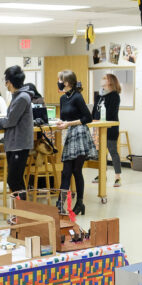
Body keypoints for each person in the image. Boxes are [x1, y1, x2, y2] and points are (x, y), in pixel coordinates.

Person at [57, 70, 95, 214]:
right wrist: (62, 123)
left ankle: (79, 203)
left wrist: (69, 123)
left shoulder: (77, 97)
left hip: (79, 135)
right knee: (66, 172)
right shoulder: (63, 98)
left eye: (60, 80)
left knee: (76, 170)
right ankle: (61, 204)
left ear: (66, 83)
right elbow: (64, 117)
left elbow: (88, 118)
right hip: (69, 135)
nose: (59, 83)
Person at [0, 65, 34, 197]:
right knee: (16, 180)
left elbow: (10, 120)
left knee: (13, 180)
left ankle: (22, 212)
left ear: (9, 82)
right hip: (14, 143)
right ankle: (21, 212)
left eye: (6, 80)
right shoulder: (17, 96)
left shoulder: (22, 97)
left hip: (19, 144)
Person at [93, 73, 123, 187]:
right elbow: (95, 110)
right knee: (100, 153)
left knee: (112, 151)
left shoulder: (115, 95)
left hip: (110, 128)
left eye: (105, 78)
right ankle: (102, 174)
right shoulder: (99, 95)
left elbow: (111, 113)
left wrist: (99, 120)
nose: (102, 79)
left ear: (111, 81)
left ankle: (117, 177)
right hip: (98, 127)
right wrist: (92, 120)